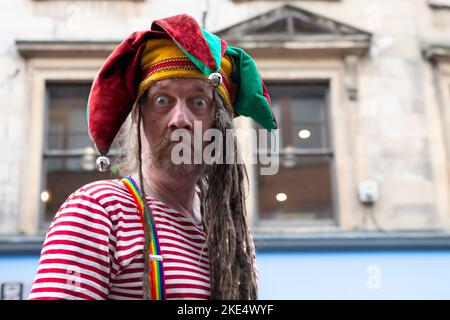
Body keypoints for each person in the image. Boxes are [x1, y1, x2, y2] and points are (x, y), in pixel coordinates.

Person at [29, 13, 277, 300]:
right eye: (162, 100)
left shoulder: (232, 234)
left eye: (199, 102)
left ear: (218, 123)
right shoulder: (99, 212)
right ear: (140, 116)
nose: (179, 119)